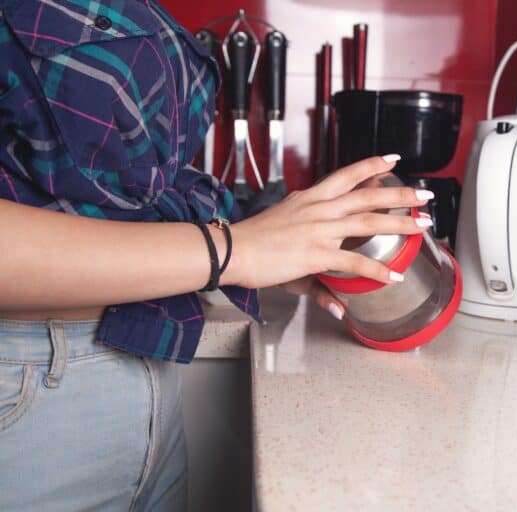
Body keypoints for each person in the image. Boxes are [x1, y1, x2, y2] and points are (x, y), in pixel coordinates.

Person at [0, 1, 433, 510]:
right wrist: (235, 251)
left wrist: (271, 243)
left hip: (145, 368)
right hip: (26, 390)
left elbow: (130, 191)